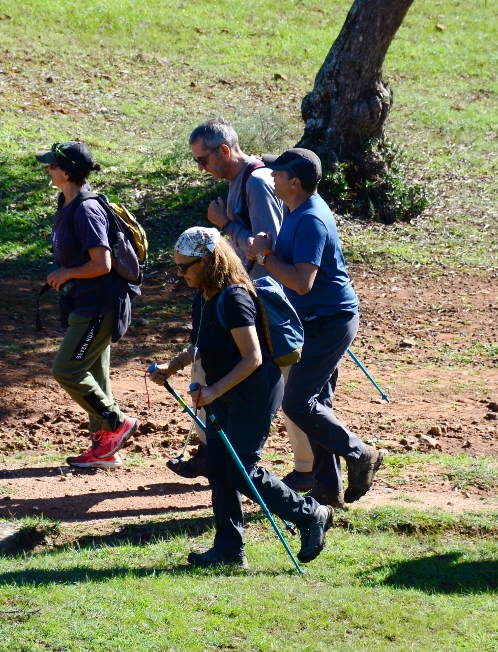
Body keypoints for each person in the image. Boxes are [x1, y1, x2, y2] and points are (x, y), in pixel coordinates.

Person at [150, 227, 332, 567]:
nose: (180, 274)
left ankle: (310, 515)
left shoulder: (234, 298)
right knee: (219, 467)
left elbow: (253, 357)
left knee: (240, 469)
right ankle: (229, 551)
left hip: (254, 391)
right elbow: (204, 343)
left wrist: (214, 390)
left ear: (206, 261)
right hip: (224, 392)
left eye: (184, 267)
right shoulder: (202, 295)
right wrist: (172, 366)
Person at [181, 119, 314, 490]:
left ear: (224, 151)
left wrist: (226, 224)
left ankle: (310, 468)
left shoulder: (255, 182)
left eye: (203, 160)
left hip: (265, 300)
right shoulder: (241, 182)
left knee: (287, 385)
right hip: (247, 296)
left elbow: (265, 245)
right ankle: (211, 451)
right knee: (212, 366)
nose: (201, 168)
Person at [247, 148, 383, 508]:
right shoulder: (295, 211)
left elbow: (302, 281)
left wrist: (264, 256)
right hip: (317, 320)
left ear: (295, 182)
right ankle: (328, 488)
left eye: (277, 173)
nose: (271, 177)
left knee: (298, 403)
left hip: (329, 321)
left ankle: (361, 454)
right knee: (317, 402)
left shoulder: (310, 219)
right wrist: (268, 250)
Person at [36, 141, 137, 469]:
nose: (47, 169)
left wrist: (65, 273)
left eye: (51, 165)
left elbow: (102, 263)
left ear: (65, 172)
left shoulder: (86, 209)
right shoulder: (67, 203)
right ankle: (105, 450)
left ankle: (116, 422)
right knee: (95, 374)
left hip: (99, 305)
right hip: (86, 305)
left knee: (66, 369)